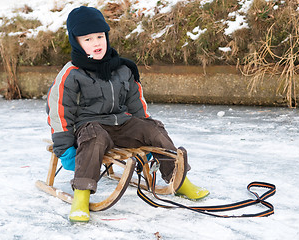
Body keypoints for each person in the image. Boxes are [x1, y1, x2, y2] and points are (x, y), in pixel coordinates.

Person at [46, 6, 209, 223]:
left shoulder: (123, 69)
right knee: (94, 137)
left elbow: (136, 105)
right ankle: (82, 196)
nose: (96, 43)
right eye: (87, 39)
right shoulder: (72, 73)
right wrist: (64, 148)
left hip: (121, 124)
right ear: (76, 42)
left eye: (99, 36)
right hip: (90, 126)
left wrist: (146, 136)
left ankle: (179, 180)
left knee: (153, 128)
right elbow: (59, 110)